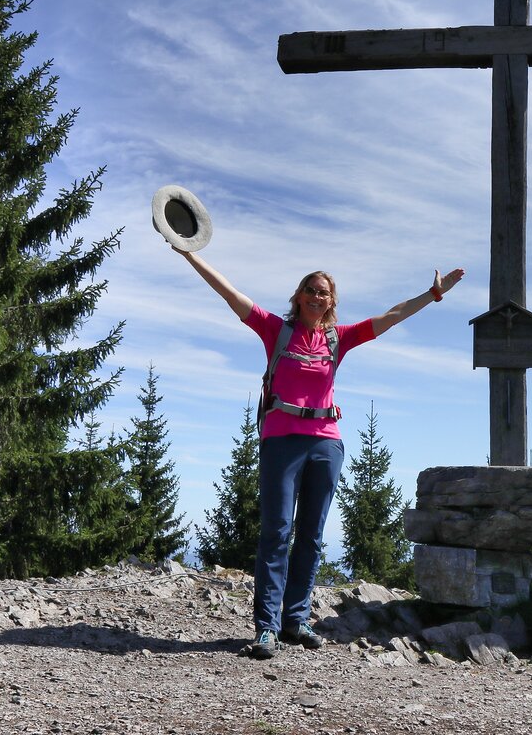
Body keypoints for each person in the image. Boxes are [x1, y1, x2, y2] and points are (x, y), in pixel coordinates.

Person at [177, 248, 464, 659]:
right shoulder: (274, 329)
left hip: (326, 442)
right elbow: (230, 294)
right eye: (310, 290)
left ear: (331, 302)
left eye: (324, 293)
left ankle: (295, 620)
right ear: (298, 296)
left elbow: (393, 314)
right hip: (281, 439)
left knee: (310, 537)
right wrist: (190, 254)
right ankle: (266, 628)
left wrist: (431, 294)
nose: (317, 296)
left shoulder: (338, 338)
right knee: (276, 533)